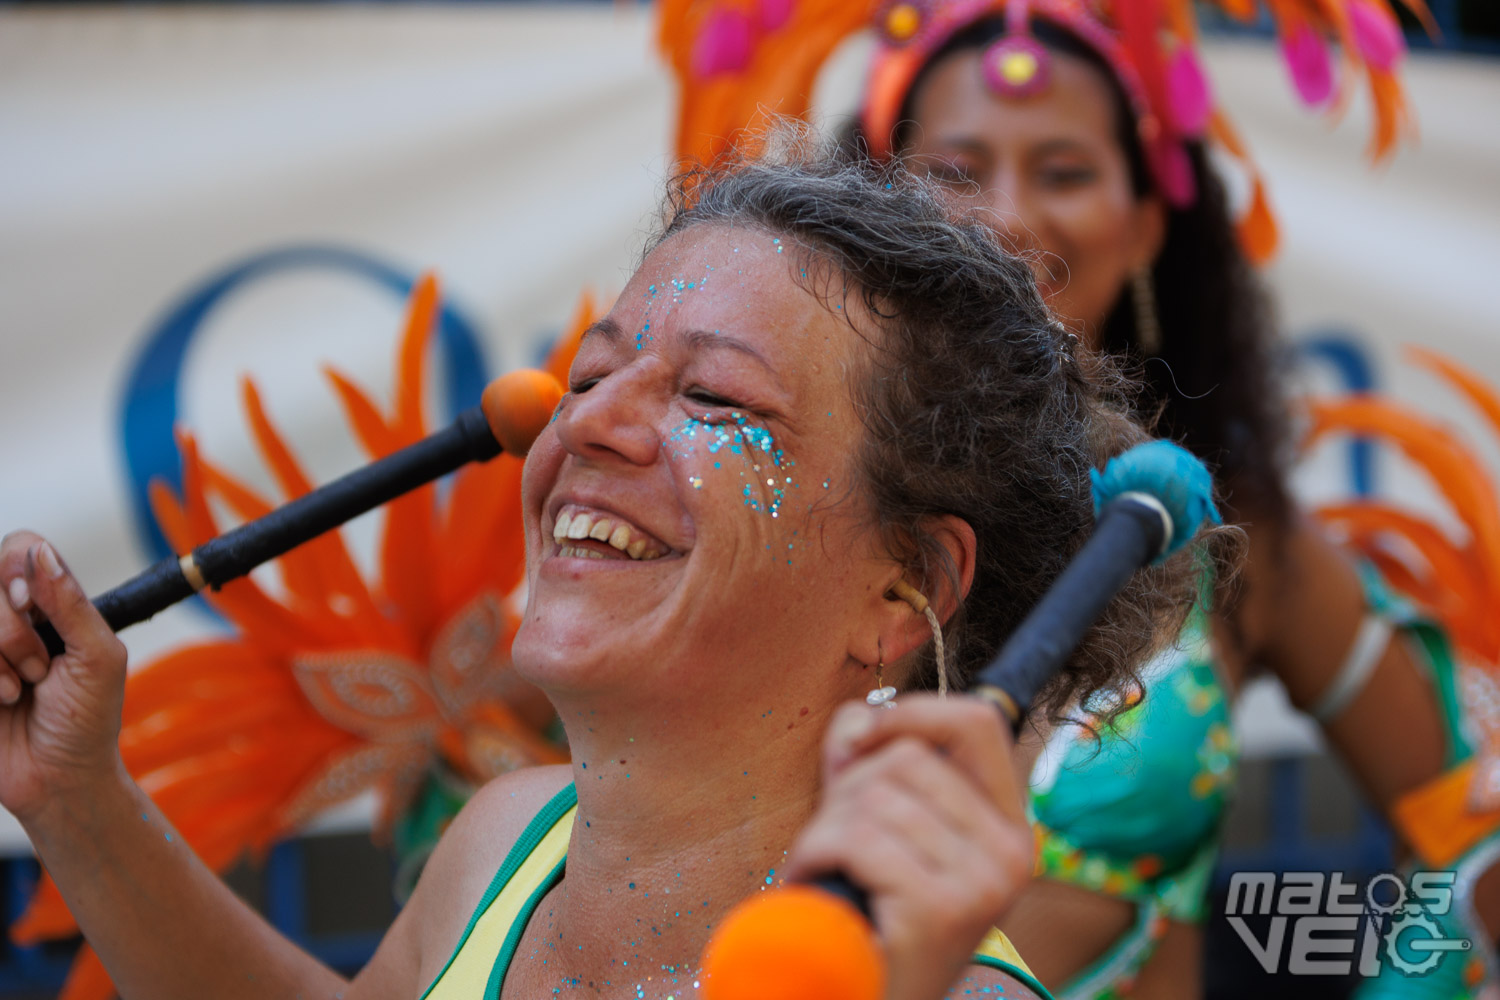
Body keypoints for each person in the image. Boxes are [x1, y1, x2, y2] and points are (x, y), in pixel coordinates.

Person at [0, 141, 1220, 1000]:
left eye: (714, 396)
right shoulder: (503, 843)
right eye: (592, 373)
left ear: (907, 589)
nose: (585, 422)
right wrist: (75, 794)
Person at [657, 0, 1497, 994]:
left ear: (1143, 227)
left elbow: (1473, 829)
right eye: (955, 172)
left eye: (1065, 172)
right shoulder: (780, 499)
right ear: (876, 211)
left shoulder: (1227, 532)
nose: (1011, 215)